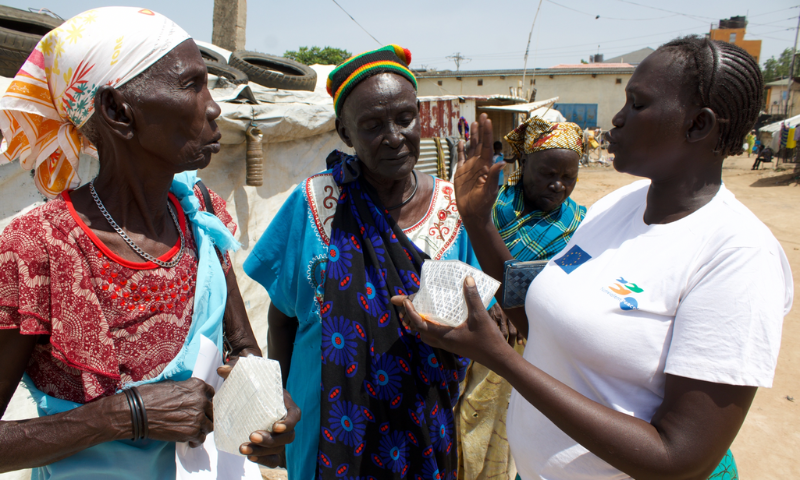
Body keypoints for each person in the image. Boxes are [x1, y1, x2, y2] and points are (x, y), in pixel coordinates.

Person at [393, 36, 793, 480]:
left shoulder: (736, 255)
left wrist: (502, 359)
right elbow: (543, 320)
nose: (617, 120)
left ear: (698, 125)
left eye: (637, 105)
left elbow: (680, 458)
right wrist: (479, 222)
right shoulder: (616, 206)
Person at [0, 8, 298, 479]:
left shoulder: (199, 215)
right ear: (118, 111)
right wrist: (124, 415)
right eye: (192, 85)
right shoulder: (38, 246)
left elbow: (242, 349)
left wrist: (266, 404)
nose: (214, 106)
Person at [244, 45, 494, 479]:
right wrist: (277, 409)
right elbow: (282, 319)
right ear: (345, 133)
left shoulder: (456, 209)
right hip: (326, 426)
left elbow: (479, 325)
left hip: (424, 425)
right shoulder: (313, 205)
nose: (395, 136)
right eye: (372, 125)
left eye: (405, 118)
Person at [457, 117, 586, 480]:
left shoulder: (580, 226)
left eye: (569, 177)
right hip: (483, 342)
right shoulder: (488, 209)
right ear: (523, 163)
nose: (559, 185)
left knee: (520, 438)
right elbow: (455, 262)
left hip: (540, 353)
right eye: (547, 173)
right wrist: (488, 294)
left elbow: (574, 285)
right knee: (469, 424)